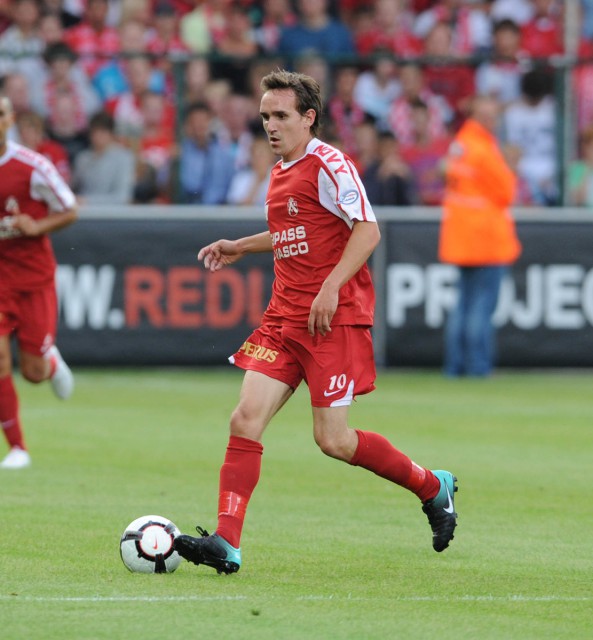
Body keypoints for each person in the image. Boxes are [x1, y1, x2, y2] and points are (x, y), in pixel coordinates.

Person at [173, 70, 459, 575]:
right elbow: (293, 230)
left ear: (309, 118)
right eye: (264, 116)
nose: (271, 125)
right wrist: (241, 244)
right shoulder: (281, 169)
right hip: (284, 317)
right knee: (244, 419)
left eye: (281, 115)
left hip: (333, 320)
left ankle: (432, 485)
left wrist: (330, 287)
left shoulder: (331, 164)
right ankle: (226, 541)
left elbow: (367, 231)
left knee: (333, 441)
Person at [0, 94, 77, 470]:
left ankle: (49, 361)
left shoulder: (30, 166)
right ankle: (18, 448)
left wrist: (36, 226)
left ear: (9, 119)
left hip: (32, 279)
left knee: (31, 373)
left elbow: (70, 208)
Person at [439, 95, 521, 378]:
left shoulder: (459, 146)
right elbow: (507, 191)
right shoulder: (484, 149)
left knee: (462, 304)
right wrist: (511, 165)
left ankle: (454, 366)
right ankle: (477, 367)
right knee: (481, 308)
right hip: (485, 239)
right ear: (486, 119)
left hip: (460, 238)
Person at [72, 111, 136, 205]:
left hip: (114, 215)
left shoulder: (124, 158)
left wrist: (88, 201)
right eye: (94, 132)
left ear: (111, 134)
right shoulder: (83, 158)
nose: (98, 137)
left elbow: (123, 197)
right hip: (83, 214)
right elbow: (74, 189)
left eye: (102, 132)